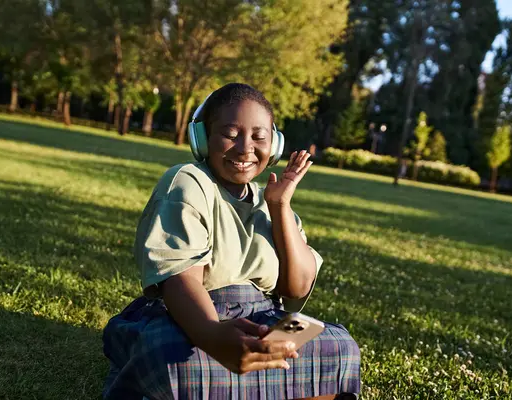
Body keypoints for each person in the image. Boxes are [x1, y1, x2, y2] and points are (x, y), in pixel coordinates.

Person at [102, 83, 360, 399]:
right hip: (193, 316)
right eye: (231, 134)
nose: (245, 148)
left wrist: (280, 207)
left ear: (274, 144)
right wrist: (213, 336)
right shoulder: (187, 181)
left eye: (259, 136)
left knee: (341, 347)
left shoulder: (272, 202)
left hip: (263, 316)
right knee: (176, 359)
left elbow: (296, 289)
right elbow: (181, 282)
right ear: (202, 138)